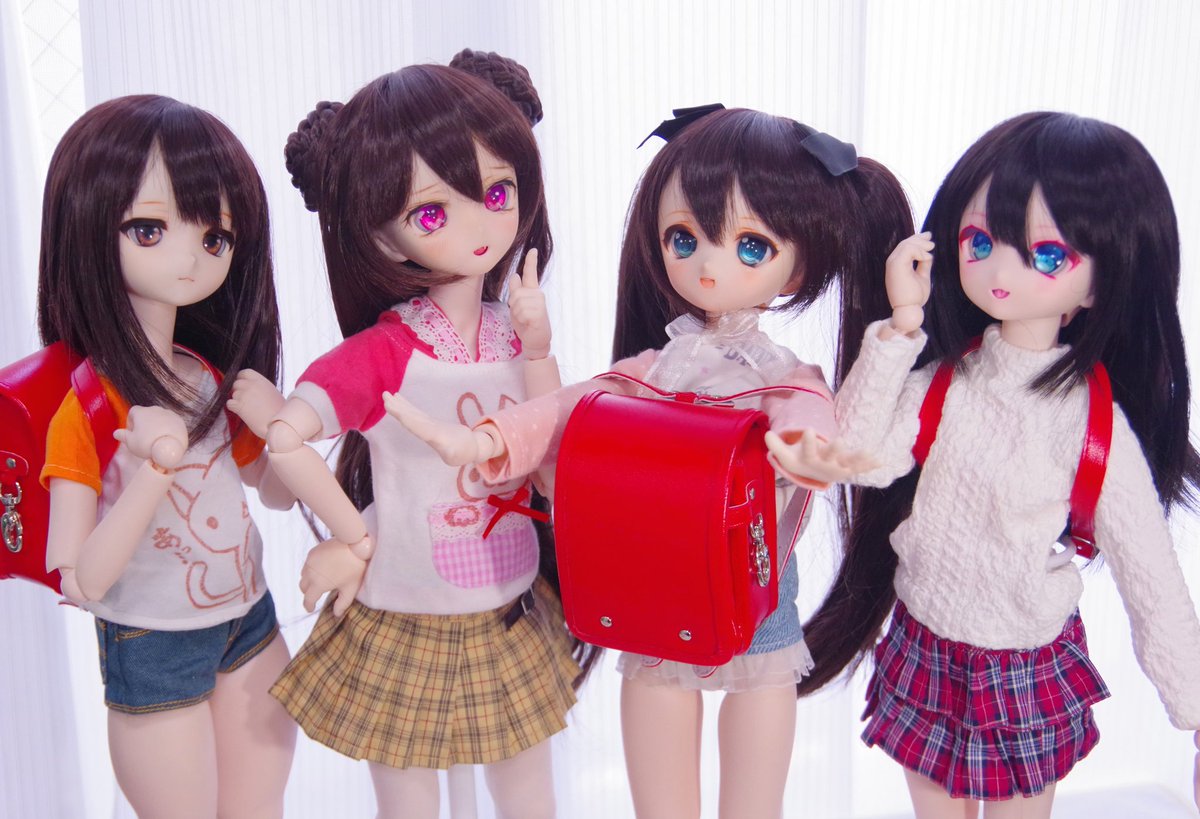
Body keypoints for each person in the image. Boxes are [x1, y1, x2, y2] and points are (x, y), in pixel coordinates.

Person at [389, 104, 913, 819]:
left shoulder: (785, 377)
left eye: (751, 246)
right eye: (683, 239)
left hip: (753, 571)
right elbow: (573, 407)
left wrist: (805, 454)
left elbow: (804, 416)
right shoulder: (656, 366)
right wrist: (486, 440)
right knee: (659, 696)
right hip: (659, 573)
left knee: (761, 696)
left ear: (800, 266)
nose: (708, 265)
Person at [781, 111, 1200, 818]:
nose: (1001, 271)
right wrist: (900, 327)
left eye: (1046, 256)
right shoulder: (946, 381)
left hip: (1023, 661)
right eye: (980, 241)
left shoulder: (1091, 425)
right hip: (927, 641)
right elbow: (858, 453)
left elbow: (1150, 575)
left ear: (1100, 284)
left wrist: (1191, 708)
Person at [228, 51, 587, 819]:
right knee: (408, 801)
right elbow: (289, 436)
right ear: (383, 238)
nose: (480, 223)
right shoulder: (388, 350)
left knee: (529, 792)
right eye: (431, 214)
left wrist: (539, 353)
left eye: (497, 192)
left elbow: (551, 450)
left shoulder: (512, 330)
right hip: (407, 604)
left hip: (509, 596)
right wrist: (356, 535)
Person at [40, 94, 296, 819]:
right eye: (149, 229)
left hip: (248, 619)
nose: (188, 257)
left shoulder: (207, 375)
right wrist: (153, 471)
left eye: (214, 237)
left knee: (259, 807)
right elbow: (79, 577)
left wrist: (282, 430)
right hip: (151, 641)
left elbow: (274, 492)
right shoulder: (89, 407)